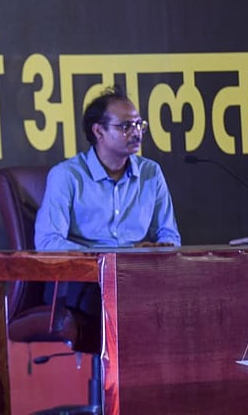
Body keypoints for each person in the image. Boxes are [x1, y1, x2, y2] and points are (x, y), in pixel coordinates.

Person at [34, 87, 180, 322]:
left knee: (183, 299)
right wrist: (107, 258)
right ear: (99, 131)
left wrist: (157, 249)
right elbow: (48, 242)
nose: (136, 133)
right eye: (125, 126)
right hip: (84, 279)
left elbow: (169, 234)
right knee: (120, 298)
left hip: (136, 276)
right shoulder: (67, 175)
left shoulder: (150, 173)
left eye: (139, 125)